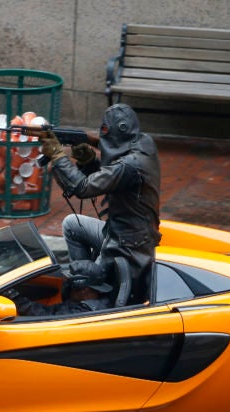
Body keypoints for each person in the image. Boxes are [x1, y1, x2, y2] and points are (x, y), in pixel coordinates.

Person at [38, 103, 161, 303]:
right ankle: (86, 276)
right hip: (117, 232)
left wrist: (58, 155)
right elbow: (108, 175)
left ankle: (87, 298)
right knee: (72, 224)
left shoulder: (129, 166)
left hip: (127, 245)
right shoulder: (145, 144)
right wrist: (88, 161)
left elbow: (83, 188)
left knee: (88, 283)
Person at [6, 260, 113, 316]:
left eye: (70, 284)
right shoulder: (82, 301)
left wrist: (15, 297)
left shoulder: (83, 312)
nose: (66, 285)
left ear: (83, 289)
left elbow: (46, 318)